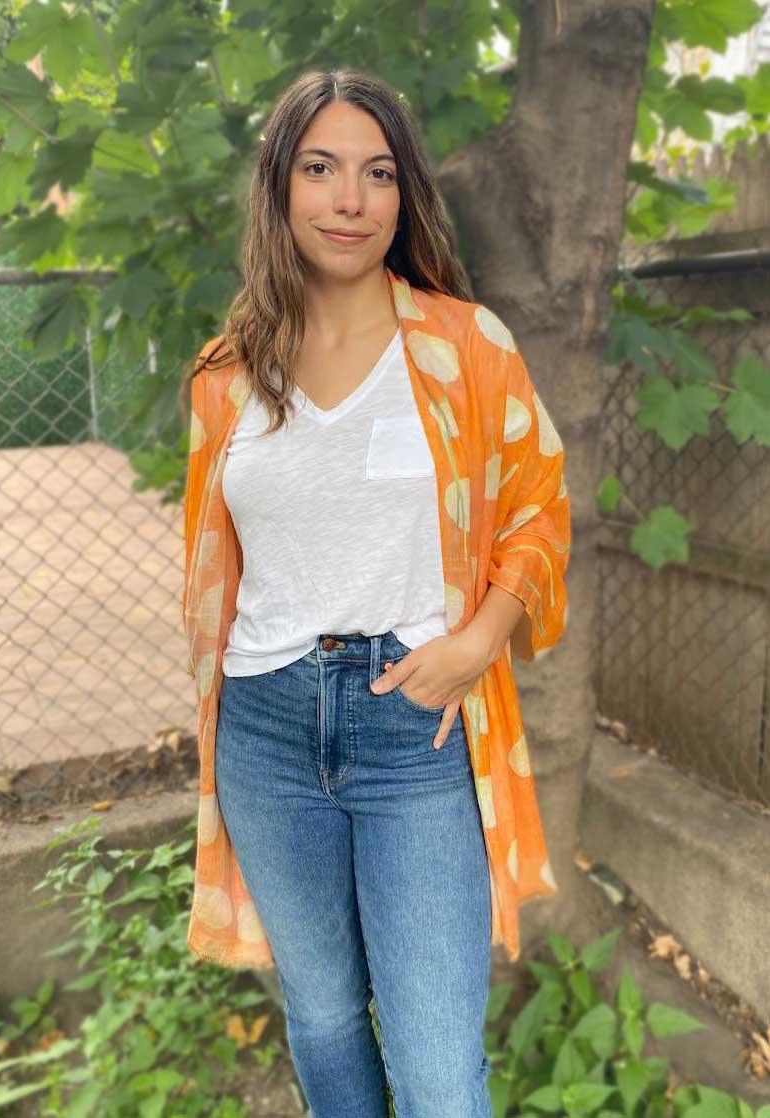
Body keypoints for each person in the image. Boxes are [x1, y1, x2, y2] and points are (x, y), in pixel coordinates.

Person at [179, 67, 571, 1118]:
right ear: (280, 186)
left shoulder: (462, 349)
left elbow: (539, 506)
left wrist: (479, 638)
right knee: (319, 1017)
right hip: (263, 723)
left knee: (439, 1070)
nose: (349, 200)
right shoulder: (226, 373)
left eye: (376, 172)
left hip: (414, 720)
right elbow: (217, 572)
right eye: (320, 168)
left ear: (402, 197)